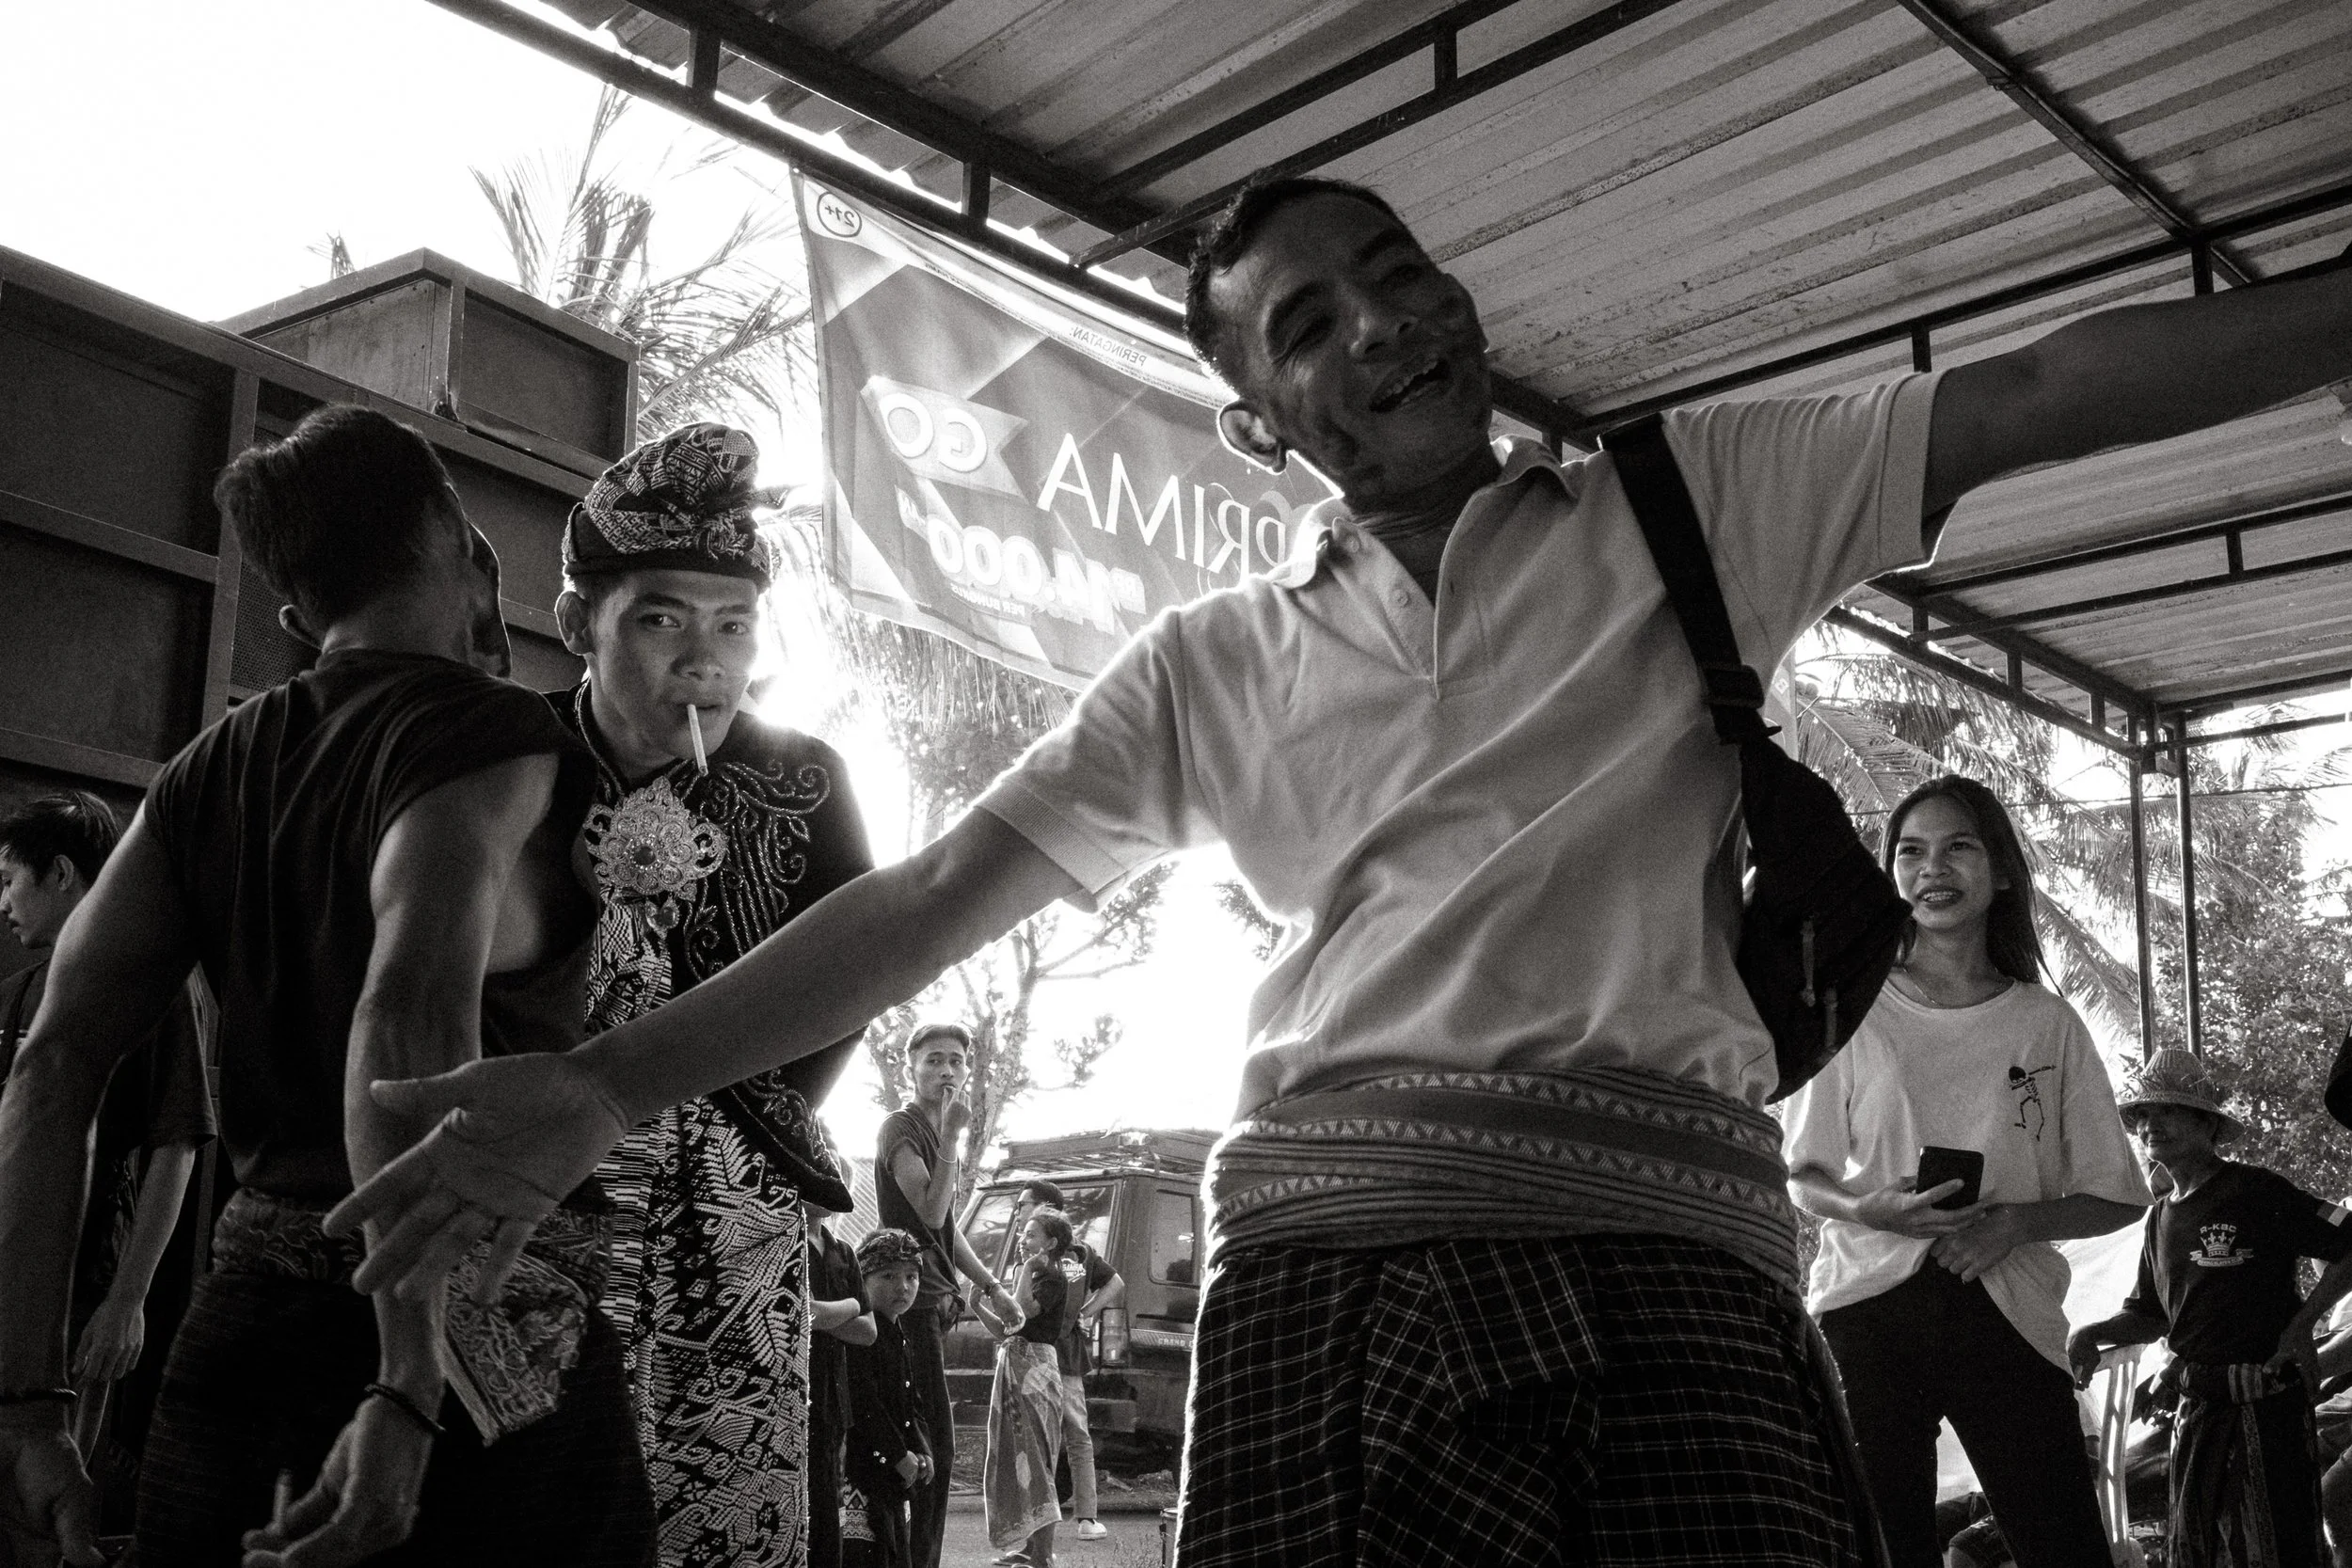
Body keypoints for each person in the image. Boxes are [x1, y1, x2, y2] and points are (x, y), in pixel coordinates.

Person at [327, 173, 2352, 1566]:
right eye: (1310, 321)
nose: (1385, 320)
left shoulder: (1687, 503)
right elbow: (932, 897)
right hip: (1332, 1283)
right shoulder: (1209, 668)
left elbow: (2032, 394)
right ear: (1255, 412)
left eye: (1394, 269)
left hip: (1686, 1275)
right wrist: (603, 1079)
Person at [0, 404, 655, 1568]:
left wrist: (29, 1411)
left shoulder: (209, 769)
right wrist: (409, 1384)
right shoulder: (485, 729)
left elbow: (52, 1065)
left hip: (241, 1337)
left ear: (301, 619)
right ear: (467, 546)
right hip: (466, 1337)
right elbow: (404, 1017)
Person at [554, 420, 873, 1568]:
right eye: (659, 618)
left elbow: (853, 980)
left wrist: (748, 1122)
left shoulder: (804, 779)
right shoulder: (514, 763)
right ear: (575, 624)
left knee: (718, 1505)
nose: (704, 659)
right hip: (548, 1188)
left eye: (732, 624)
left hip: (732, 1210)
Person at [1782, 776, 2150, 1568]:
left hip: (2009, 1308)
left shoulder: (2046, 1023)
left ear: (2003, 873)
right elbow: (1804, 1176)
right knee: (1881, 1550)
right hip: (1866, 1312)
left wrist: (2017, 1223)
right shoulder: (1854, 1010)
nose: (1931, 868)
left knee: (2066, 1548)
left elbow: (2118, 1193)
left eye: (1958, 847)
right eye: (1910, 852)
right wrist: (1874, 1208)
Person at [0, 794, 215, 1513]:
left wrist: (128, 1301)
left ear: (61, 873)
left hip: (82, 1283)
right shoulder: (18, 993)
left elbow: (176, 1143)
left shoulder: (152, 985)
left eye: (10, 878)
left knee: (48, 1505)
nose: (4, 901)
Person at [2071, 1051, 2352, 1568]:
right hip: (2198, 1412)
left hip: (2266, 1409)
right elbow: (2152, 1315)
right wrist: (2090, 1332)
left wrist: (2302, 1324)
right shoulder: (2160, 1218)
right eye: (2143, 1116)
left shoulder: (2257, 1190)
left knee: (2279, 1546)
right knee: (2204, 1550)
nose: (2151, 1125)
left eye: (2169, 1112)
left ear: (2208, 1125)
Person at [875, 1022, 1022, 1568]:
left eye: (957, 1062)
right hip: (908, 1304)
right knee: (932, 1446)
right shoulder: (901, 1129)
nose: (947, 1071)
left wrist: (991, 1287)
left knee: (931, 1446)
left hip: (938, 1302)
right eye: (934, 1060)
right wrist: (956, 1140)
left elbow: (947, 1230)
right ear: (910, 1067)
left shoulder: (938, 1134)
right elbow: (929, 1211)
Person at [1012, 1180, 1120, 1542]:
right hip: (1063, 1354)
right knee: (1070, 1436)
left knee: (1061, 1435)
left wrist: (1084, 1311)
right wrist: (1086, 1313)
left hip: (1053, 1354)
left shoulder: (1066, 1255)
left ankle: (1059, 1520)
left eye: (1024, 1205)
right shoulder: (1077, 1253)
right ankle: (1082, 1518)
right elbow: (1115, 1283)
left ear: (1045, 1208)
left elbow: (1113, 1284)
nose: (1018, 1213)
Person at [970, 1209, 1074, 1568]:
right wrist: (978, 1307)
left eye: (1031, 1235)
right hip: (1015, 1365)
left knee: (1037, 1458)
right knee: (1018, 1458)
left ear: (1051, 1243)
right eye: (1022, 1233)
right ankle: (1030, 1549)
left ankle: (1043, 1554)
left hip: (1036, 1374)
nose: (1022, 1240)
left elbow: (1022, 1313)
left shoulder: (1052, 1276)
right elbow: (1007, 1330)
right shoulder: (1030, 1274)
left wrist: (1027, 1269)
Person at [843, 1229, 934, 1568]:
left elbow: (911, 1403)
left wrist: (922, 1448)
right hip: (864, 1471)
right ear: (863, 1279)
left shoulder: (898, 1332)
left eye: (911, 1276)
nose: (904, 1286)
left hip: (895, 1472)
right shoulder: (863, 1335)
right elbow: (865, 1404)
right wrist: (897, 1454)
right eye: (889, 1276)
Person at [808, 1196, 878, 1568]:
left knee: (828, 1507)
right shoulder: (785, 1246)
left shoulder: (844, 1251)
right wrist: (851, 1305)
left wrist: (829, 1316)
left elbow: (868, 1331)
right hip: (797, 1396)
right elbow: (806, 1314)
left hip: (835, 1399)